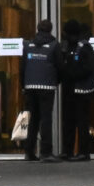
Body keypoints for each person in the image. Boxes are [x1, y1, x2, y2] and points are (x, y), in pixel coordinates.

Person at [58, 20, 94, 161]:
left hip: (81, 91)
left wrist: (70, 74)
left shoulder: (83, 47)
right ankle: (68, 151)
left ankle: (83, 151)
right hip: (69, 90)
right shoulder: (68, 46)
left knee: (82, 122)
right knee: (68, 121)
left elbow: (88, 68)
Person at [21, 19, 62, 161]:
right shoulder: (54, 45)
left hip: (30, 86)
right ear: (50, 29)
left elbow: (23, 67)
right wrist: (57, 81)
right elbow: (60, 66)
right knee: (46, 119)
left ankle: (29, 151)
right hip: (47, 86)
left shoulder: (27, 45)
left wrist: (23, 85)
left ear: (38, 29)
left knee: (33, 119)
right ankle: (46, 152)